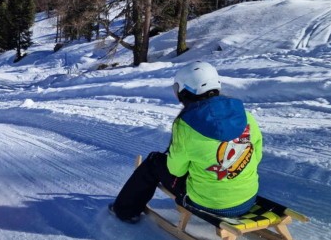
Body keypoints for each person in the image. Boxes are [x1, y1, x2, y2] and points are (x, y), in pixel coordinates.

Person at [109, 61, 262, 223]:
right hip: (247, 199)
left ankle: (125, 211)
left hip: (208, 204)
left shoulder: (186, 126)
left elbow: (176, 170)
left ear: (184, 92)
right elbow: (256, 155)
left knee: (154, 162)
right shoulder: (245, 116)